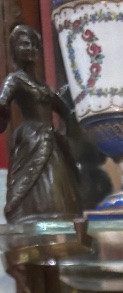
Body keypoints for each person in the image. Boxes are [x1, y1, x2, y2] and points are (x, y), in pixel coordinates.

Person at [0, 25, 80, 223]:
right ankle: (30, 217)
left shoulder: (44, 86)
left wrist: (65, 135)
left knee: (59, 188)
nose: (29, 48)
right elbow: (3, 101)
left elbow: (66, 112)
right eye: (23, 44)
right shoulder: (15, 80)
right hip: (32, 139)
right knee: (33, 189)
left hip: (51, 139)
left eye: (33, 45)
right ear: (15, 49)